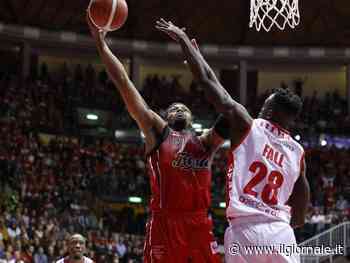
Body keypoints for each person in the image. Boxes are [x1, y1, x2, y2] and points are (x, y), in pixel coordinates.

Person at [156, 18, 310, 263]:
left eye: (264, 105)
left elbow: (208, 82)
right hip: (282, 233)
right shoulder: (298, 152)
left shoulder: (249, 125)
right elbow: (301, 214)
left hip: (245, 229)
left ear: (269, 110)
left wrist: (185, 42)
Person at [87, 13, 224, 263]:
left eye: (184, 108)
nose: (179, 109)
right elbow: (124, 83)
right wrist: (101, 44)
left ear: (192, 119)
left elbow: (230, 108)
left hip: (200, 222)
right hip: (166, 222)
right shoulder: (157, 132)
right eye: (173, 108)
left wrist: (197, 57)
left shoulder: (205, 143)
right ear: (166, 117)